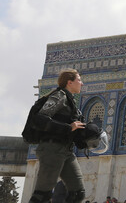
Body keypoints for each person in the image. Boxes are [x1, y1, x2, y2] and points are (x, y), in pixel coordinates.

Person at [28, 69, 87, 203]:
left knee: (77, 193)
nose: (82, 83)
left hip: (66, 151)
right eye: (79, 80)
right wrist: (68, 127)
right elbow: (40, 119)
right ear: (69, 82)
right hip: (52, 149)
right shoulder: (59, 96)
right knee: (42, 195)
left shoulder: (71, 102)